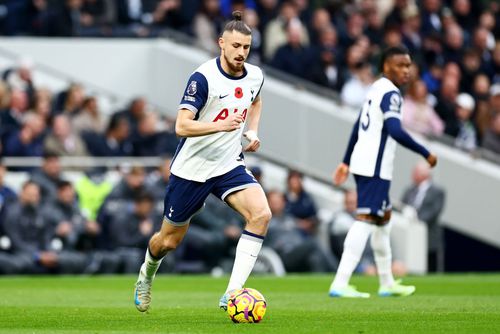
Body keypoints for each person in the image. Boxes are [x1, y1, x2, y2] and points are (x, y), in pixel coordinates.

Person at [134, 10, 270, 313]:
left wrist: (253, 130)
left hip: (228, 164)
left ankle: (232, 294)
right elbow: (181, 126)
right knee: (168, 242)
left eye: (246, 48)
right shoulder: (203, 78)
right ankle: (146, 273)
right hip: (192, 168)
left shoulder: (255, 75)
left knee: (261, 214)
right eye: (235, 46)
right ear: (221, 43)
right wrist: (221, 126)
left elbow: (256, 99)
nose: (241, 53)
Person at [328, 46, 437, 298]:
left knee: (383, 222)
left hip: (365, 163)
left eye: (409, 66)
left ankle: (386, 282)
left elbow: (358, 125)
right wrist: (425, 152)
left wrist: (345, 161)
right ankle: (340, 282)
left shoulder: (375, 89)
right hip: (374, 167)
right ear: (386, 66)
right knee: (366, 220)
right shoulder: (391, 93)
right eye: (401, 65)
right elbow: (395, 130)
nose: (407, 71)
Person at [401, 161, 445, 272]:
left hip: (429, 237)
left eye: (415, 172)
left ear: (424, 174)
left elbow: (434, 212)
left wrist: (416, 220)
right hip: (409, 235)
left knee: (431, 267)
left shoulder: (438, 191)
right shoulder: (409, 190)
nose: (413, 174)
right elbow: (402, 206)